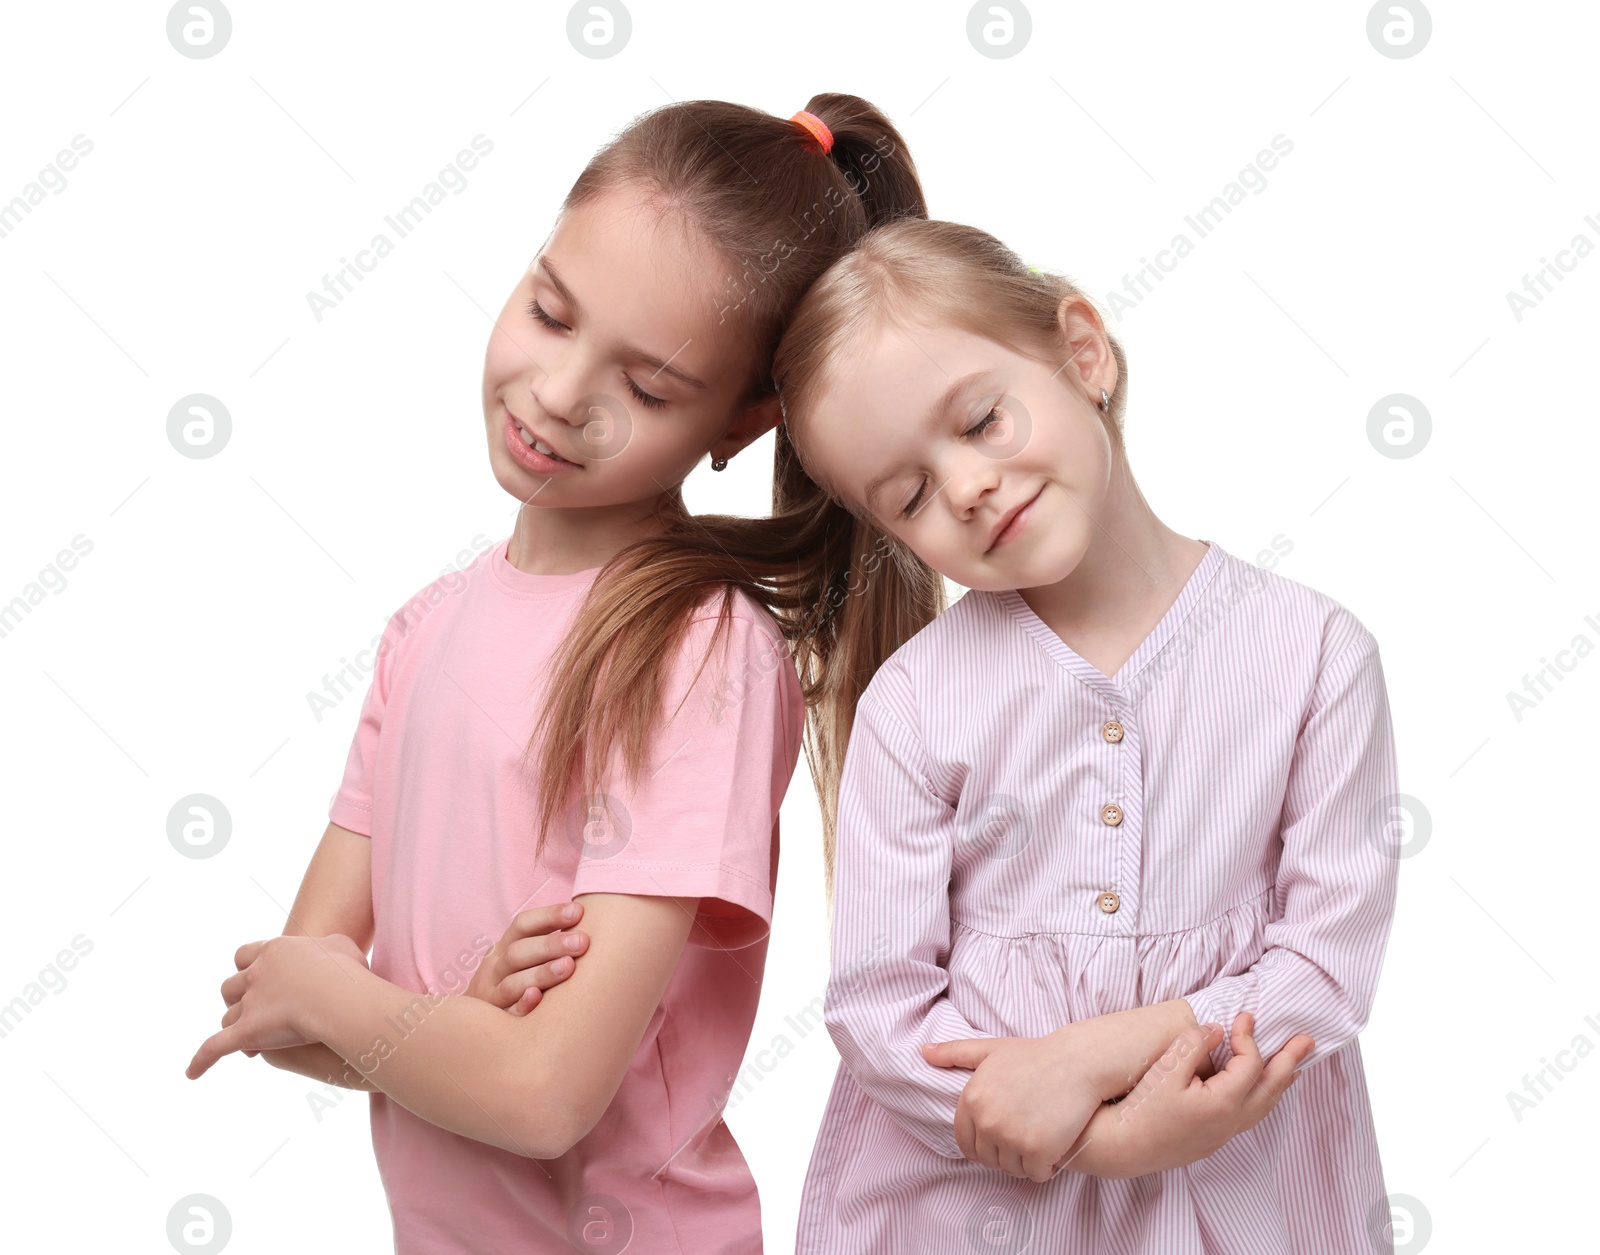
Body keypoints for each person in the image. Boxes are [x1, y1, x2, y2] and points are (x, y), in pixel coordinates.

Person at [185, 96, 932, 1254]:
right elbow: (278, 1022)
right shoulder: (421, 634)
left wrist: (366, 1003)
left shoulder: (697, 647)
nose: (558, 392)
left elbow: (539, 1095)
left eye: (646, 387)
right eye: (549, 309)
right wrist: (436, 1024)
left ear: (743, 420)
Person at [772, 217, 1402, 1253]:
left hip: (1239, 1194)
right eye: (912, 494)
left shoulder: (1312, 653)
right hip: (970, 1209)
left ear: (1081, 351)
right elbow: (880, 1006)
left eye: (979, 421)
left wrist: (1105, 1055)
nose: (966, 486)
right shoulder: (914, 701)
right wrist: (1092, 1139)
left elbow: (1326, 965)